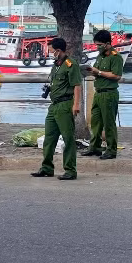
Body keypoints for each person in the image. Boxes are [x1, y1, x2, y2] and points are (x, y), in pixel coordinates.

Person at [31, 38, 81, 180]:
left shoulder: (71, 65)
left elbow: (77, 85)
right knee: (49, 137)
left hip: (65, 105)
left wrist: (76, 105)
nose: (50, 53)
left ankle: (70, 170)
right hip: (54, 105)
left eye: (52, 50)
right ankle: (46, 168)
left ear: (58, 51)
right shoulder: (56, 65)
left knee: (68, 138)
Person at [82, 30, 124, 160]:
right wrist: (90, 71)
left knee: (109, 123)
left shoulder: (115, 57)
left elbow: (116, 76)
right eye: (96, 45)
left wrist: (98, 72)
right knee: (96, 122)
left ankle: (111, 150)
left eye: (99, 45)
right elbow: (97, 71)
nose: (97, 47)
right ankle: (95, 147)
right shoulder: (100, 56)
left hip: (109, 93)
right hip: (98, 92)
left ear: (107, 44)